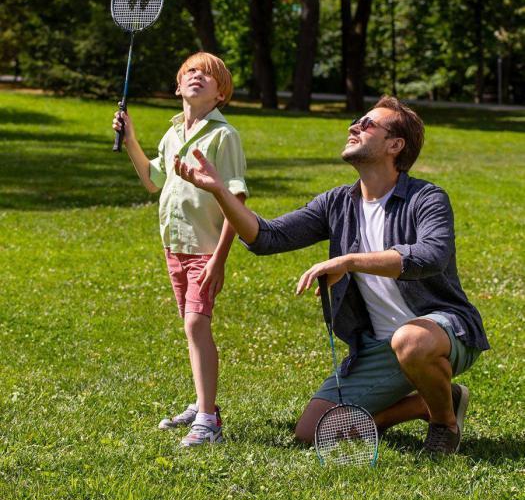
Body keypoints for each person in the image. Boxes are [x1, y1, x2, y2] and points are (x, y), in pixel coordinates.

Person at [174, 95, 489, 455]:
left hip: (444, 331)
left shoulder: (426, 198)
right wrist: (219, 191)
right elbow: (266, 238)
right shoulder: (337, 203)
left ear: (394, 145)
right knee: (311, 432)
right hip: (376, 347)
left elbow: (430, 256)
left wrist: (349, 261)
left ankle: (443, 424)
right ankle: (430, 400)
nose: (355, 127)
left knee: (410, 340)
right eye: (357, 120)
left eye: (368, 124)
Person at [112, 52, 247, 447]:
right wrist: (132, 140)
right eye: (191, 71)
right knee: (192, 329)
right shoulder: (172, 134)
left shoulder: (224, 136)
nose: (198, 76)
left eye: (209, 74)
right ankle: (204, 404)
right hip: (175, 247)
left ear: (221, 93)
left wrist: (220, 259)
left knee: (195, 325)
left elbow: (237, 204)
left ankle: (208, 421)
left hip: (205, 249)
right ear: (178, 86)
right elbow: (154, 180)